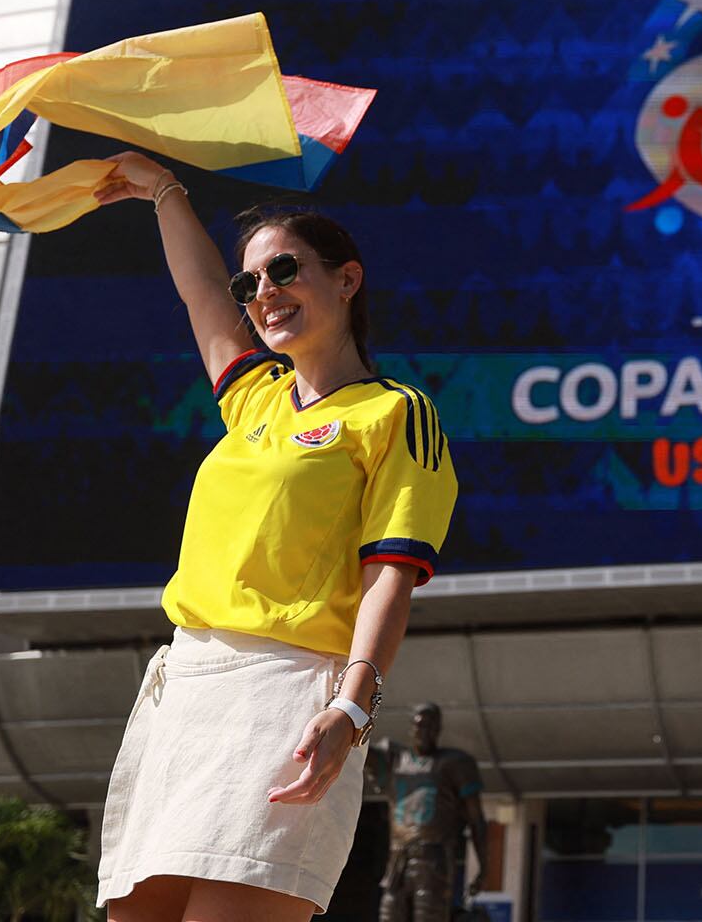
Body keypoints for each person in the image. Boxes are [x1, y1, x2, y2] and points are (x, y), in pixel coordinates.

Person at [91, 152, 459, 922]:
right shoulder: (256, 401)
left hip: (285, 700)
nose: (264, 294)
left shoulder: (393, 413)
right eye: (250, 282)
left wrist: (354, 707)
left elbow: (389, 574)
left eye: (284, 270)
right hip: (181, 696)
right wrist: (162, 192)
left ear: (346, 280)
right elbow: (199, 297)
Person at [380, 703, 488, 922]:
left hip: (432, 860)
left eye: (431, 726)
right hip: (398, 860)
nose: (424, 732)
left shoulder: (454, 764)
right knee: (390, 912)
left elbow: (477, 820)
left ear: (438, 730)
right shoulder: (396, 759)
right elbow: (354, 747)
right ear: (411, 728)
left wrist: (484, 867)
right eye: (420, 725)